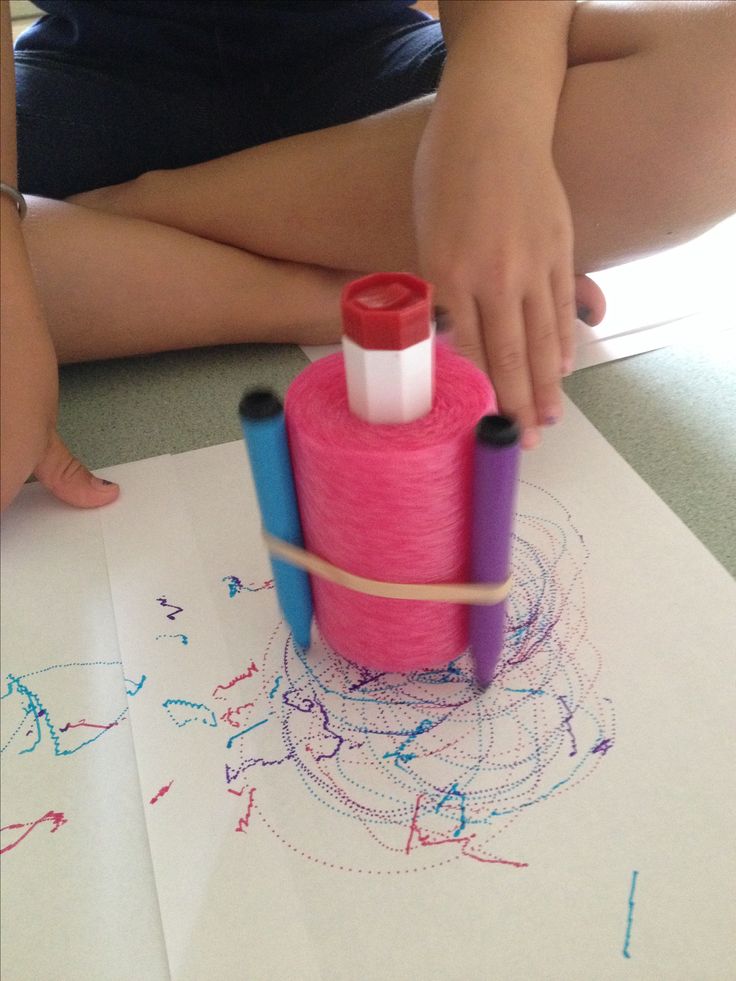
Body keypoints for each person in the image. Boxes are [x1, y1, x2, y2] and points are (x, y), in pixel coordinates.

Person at [2, 0, 734, 512]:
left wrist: (493, 128)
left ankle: (128, 213)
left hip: (375, 79)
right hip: (90, 84)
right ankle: (358, 287)